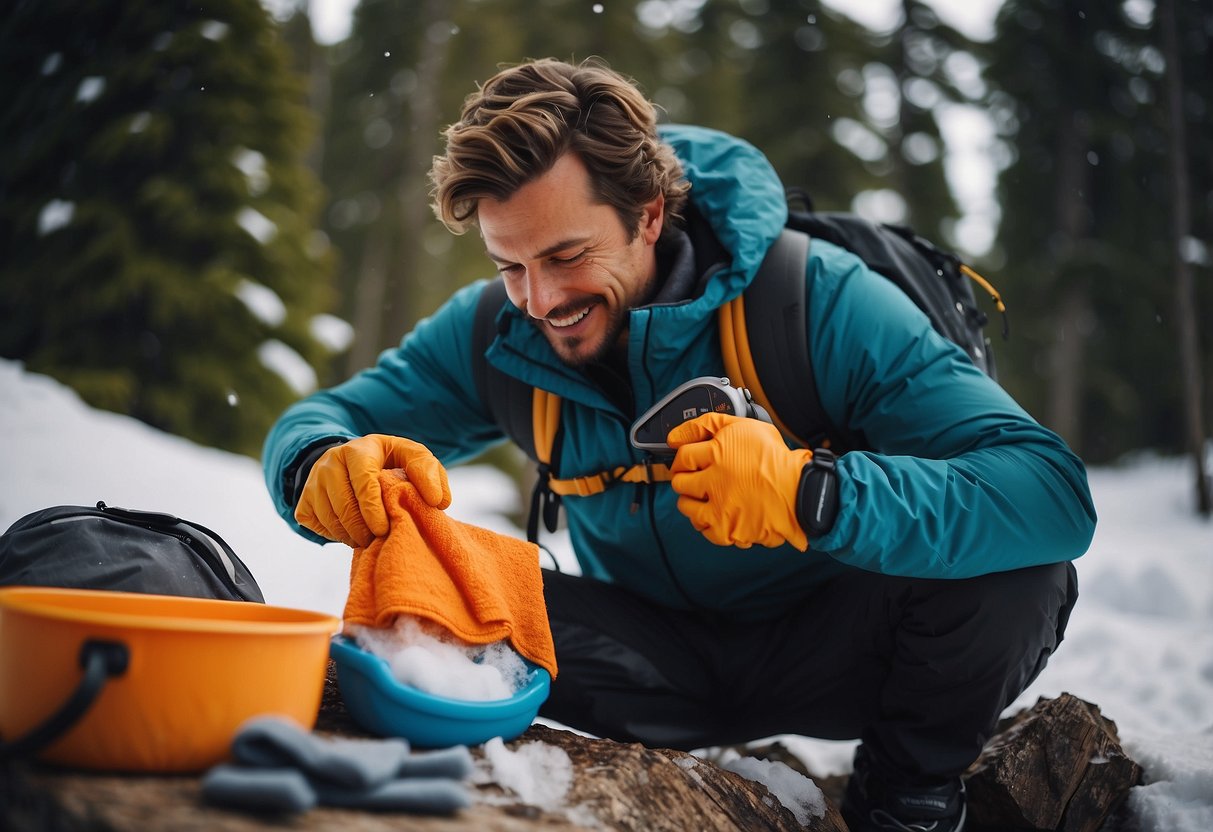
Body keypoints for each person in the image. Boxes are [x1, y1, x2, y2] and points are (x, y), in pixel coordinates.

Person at [263, 57, 1095, 832]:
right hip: (642, 665)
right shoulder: (492, 331)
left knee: (1014, 567)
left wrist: (812, 492)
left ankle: (905, 794)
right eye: (509, 265)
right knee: (440, 557)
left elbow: (1048, 489)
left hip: (848, 656)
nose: (540, 300)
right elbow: (326, 418)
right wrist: (319, 466)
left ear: (649, 214)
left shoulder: (815, 303)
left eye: (566, 255)